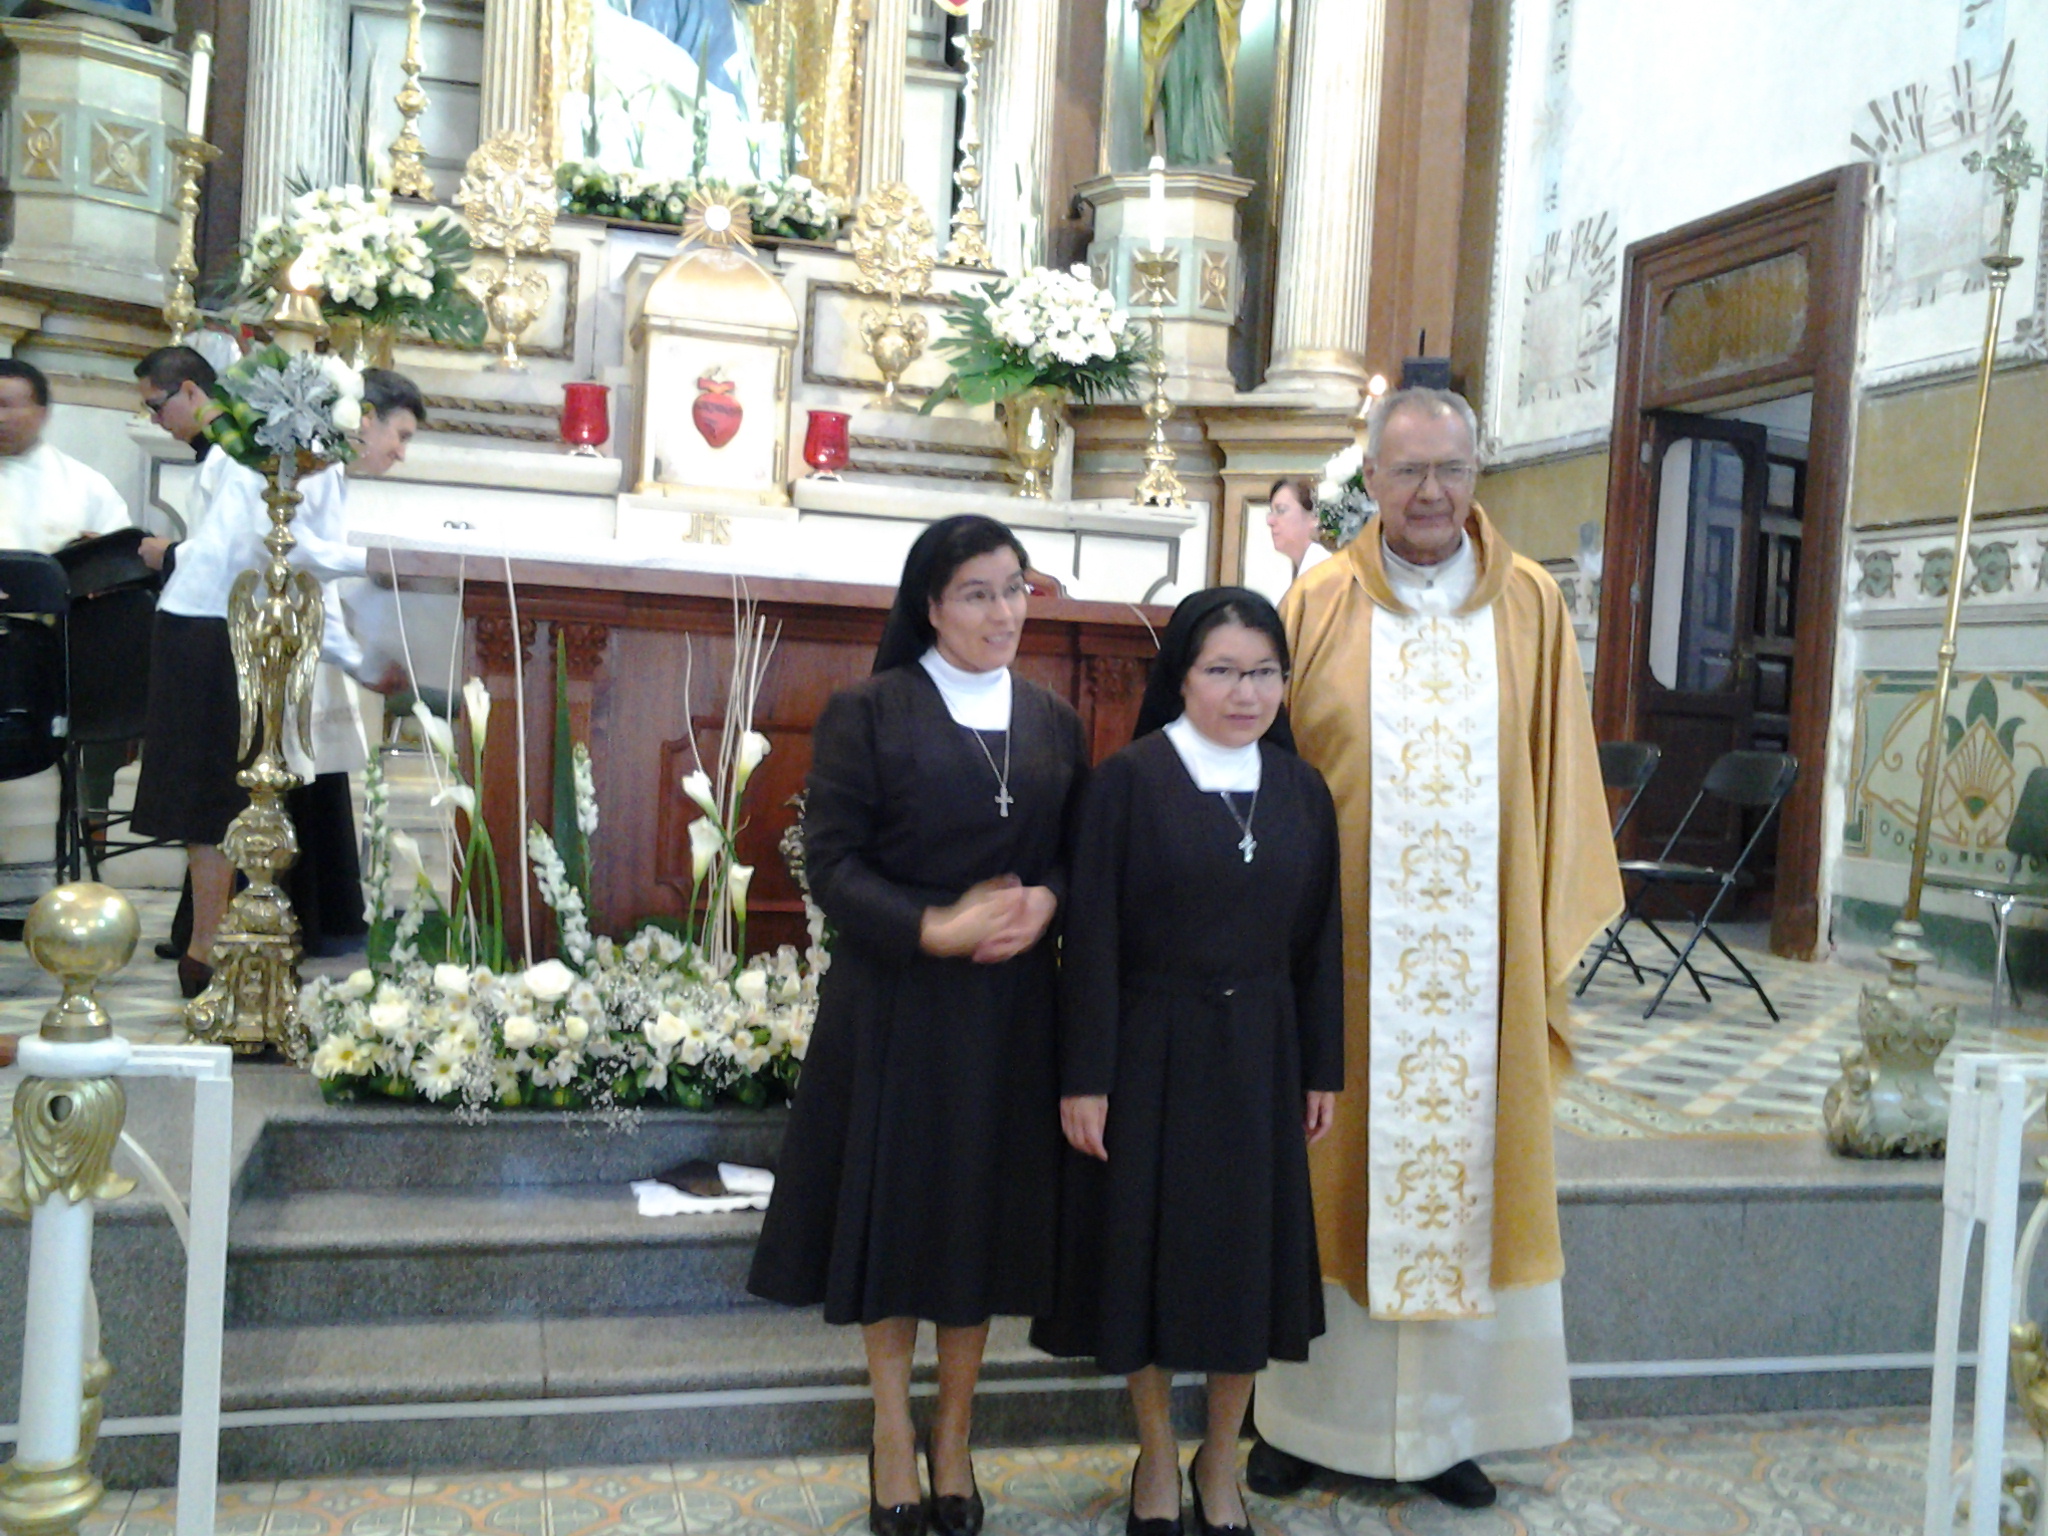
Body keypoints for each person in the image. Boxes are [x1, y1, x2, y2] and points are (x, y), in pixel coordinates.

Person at [1250, 388, 1622, 1510]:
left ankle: (1445, 1432)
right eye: (1406, 471)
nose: (1428, 494)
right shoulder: (1316, 601)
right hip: (1344, 964)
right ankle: (1298, 1419)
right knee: (1325, 1181)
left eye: (1449, 470)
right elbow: (1270, 771)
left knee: (1471, 1179)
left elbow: (1560, 773)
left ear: (1475, 474)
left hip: (1481, 967)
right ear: (1369, 478)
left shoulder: (1530, 604)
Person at [749, 515, 1089, 1536]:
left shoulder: (1052, 719)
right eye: (978, 592)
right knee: (899, 1224)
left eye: (1015, 588)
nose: (1003, 611)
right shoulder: (870, 711)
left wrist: (1048, 901)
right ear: (930, 606)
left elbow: (1076, 851)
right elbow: (830, 863)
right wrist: (934, 926)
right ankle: (892, 1430)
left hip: (1010, 1015)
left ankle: (955, 1433)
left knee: (977, 1227)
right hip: (898, 1007)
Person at [1032, 587, 1343, 1536]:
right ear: (1180, 678)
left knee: (1244, 1264)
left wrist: (1321, 1068)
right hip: (1150, 1052)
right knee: (1146, 1260)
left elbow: (1321, 943)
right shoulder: (1128, 783)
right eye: (1222, 671)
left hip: (1261, 1056)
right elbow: (1089, 940)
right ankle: (1157, 1452)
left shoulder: (1302, 790)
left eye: (1265, 672)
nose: (1246, 693)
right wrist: (1085, 1078)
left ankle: (1219, 1457)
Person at [131, 368, 419, 999]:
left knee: (232, 799)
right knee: (216, 800)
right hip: (212, 622)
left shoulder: (314, 461)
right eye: (400, 435)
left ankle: (213, 949)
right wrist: (381, 565)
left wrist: (358, 659)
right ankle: (208, 951)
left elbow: (306, 578)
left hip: (228, 622)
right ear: (364, 418)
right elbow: (283, 550)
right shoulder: (297, 454)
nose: (400, 453)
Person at [133, 345, 222, 962]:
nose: (154, 420)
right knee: (199, 803)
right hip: (199, 628)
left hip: (211, 635)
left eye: (157, 406)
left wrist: (167, 554)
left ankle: (205, 947)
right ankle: (202, 940)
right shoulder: (220, 454)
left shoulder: (235, 456)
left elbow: (233, 553)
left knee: (205, 799)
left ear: (191, 391)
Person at [0, 358, 132, 551]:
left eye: (6, 405)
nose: (1, 418)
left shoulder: (86, 486)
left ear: (42, 412)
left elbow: (119, 557)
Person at [1265, 477, 1328, 583]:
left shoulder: (1323, 571)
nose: (1270, 521)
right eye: (1271, 512)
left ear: (1314, 518)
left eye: (1281, 510)